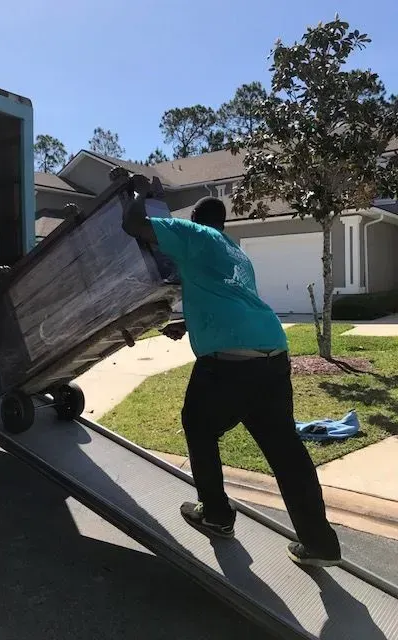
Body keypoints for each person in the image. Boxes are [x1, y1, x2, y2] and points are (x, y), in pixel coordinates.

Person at [121, 178, 342, 568]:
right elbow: (227, 301)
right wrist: (188, 324)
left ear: (195, 218)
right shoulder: (234, 252)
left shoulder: (192, 233)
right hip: (272, 354)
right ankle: (321, 544)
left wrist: (139, 192)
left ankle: (217, 516)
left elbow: (132, 224)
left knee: (198, 424)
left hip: (231, 363)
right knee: (286, 451)